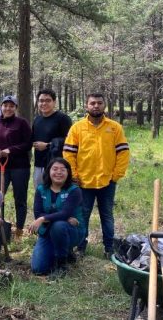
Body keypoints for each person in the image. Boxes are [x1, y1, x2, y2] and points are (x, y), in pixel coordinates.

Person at [63, 93, 130, 258]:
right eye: (92, 103)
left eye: (99, 103)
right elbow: (69, 153)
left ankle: (109, 249)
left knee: (107, 215)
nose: (96, 106)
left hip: (107, 181)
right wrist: (74, 175)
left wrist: (116, 175)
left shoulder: (114, 127)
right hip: (83, 182)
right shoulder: (77, 128)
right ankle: (80, 248)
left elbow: (123, 153)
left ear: (104, 106)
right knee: (82, 215)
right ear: (87, 105)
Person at [0, 95, 32, 240]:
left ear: (15, 108)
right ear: (1, 107)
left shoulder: (22, 123)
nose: (8, 108)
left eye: (11, 106)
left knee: (20, 199)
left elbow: (28, 143)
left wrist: (10, 150)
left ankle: (19, 230)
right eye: (5, 105)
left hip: (20, 168)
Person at [29, 158, 84, 276]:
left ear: (68, 172)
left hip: (71, 232)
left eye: (63, 170)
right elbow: (38, 213)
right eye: (55, 169)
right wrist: (62, 217)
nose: (58, 172)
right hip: (48, 232)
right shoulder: (41, 189)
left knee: (58, 226)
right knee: (38, 269)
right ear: (48, 171)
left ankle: (61, 265)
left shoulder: (75, 190)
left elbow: (65, 213)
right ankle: (62, 252)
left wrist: (44, 218)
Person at [32, 88, 72, 186]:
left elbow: (70, 141)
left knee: (57, 194)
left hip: (57, 165)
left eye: (48, 100)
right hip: (39, 164)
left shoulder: (63, 118)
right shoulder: (37, 119)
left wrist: (48, 145)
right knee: (41, 193)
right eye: (41, 101)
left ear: (54, 102)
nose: (44, 103)